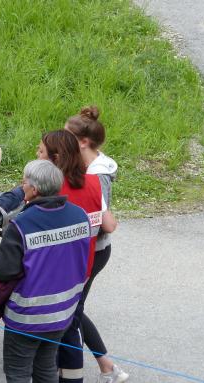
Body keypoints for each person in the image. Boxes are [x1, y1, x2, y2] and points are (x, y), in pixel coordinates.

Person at [38, 129, 127, 383]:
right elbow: (109, 225)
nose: (36, 154)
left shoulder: (52, 190)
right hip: (88, 259)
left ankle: (91, 369)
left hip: (62, 267)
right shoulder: (91, 182)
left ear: (55, 159)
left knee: (67, 320)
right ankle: (104, 366)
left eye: (40, 151)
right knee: (73, 314)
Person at [0, 159, 93, 383]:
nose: (21, 185)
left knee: (18, 372)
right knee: (46, 368)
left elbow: (4, 272)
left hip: (27, 317)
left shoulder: (20, 224)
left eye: (24, 181)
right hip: (63, 313)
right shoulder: (80, 216)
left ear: (34, 189)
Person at [64, 107, 128, 383]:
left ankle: (94, 368)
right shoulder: (86, 164)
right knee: (72, 309)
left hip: (93, 250)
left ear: (83, 142)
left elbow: (105, 222)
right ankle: (106, 366)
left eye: (67, 136)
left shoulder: (97, 176)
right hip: (84, 249)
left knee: (71, 312)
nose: (63, 139)